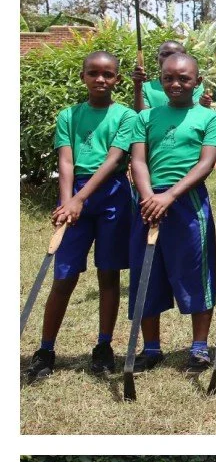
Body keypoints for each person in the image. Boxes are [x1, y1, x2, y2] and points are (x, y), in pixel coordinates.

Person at [27, 51, 136, 381]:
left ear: (117, 79)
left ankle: (103, 347)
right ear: (82, 76)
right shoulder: (68, 116)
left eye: (107, 74)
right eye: (93, 73)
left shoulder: (126, 115)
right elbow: (66, 162)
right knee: (64, 276)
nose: (100, 79)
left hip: (112, 194)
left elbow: (114, 159)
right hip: (75, 195)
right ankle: (45, 349)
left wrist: (79, 200)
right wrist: (67, 204)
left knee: (108, 274)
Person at [126, 51, 216, 373]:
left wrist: (170, 196)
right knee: (145, 273)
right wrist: (149, 196)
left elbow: (207, 163)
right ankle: (151, 348)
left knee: (196, 271)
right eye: (169, 78)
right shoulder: (145, 117)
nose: (176, 84)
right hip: (148, 202)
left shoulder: (209, 118)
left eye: (184, 78)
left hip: (187, 202)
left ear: (197, 81)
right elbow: (138, 160)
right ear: (160, 79)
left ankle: (198, 347)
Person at [131, 39, 210, 112]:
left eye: (177, 55)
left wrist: (203, 105)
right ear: (156, 59)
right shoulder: (145, 87)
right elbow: (142, 116)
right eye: (165, 54)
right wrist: (137, 87)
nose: (171, 58)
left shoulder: (194, 86)